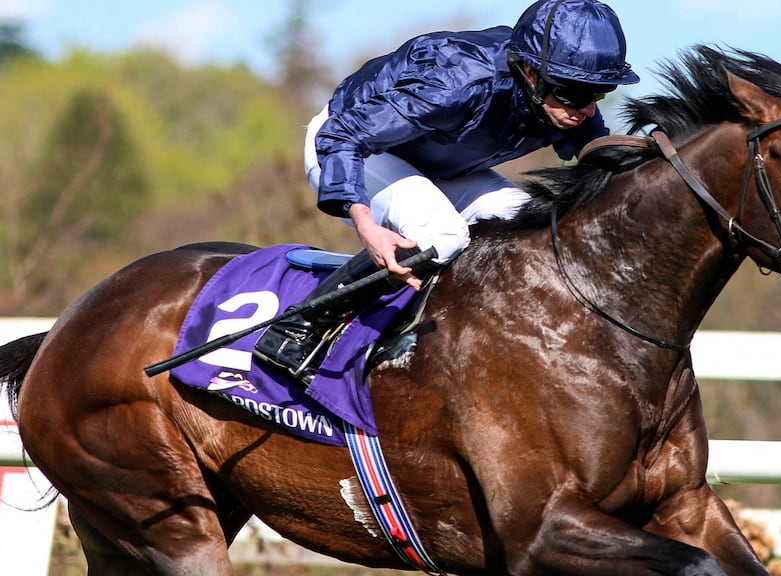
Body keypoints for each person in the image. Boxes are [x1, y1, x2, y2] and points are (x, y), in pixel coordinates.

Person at [255, 0, 640, 382]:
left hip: (437, 165)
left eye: (599, 92)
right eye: (573, 93)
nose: (587, 109)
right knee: (444, 233)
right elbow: (344, 136)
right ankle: (301, 326)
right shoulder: (457, 80)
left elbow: (597, 156)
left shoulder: (567, 95)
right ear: (531, 73)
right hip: (349, 145)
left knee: (531, 231)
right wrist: (365, 224)